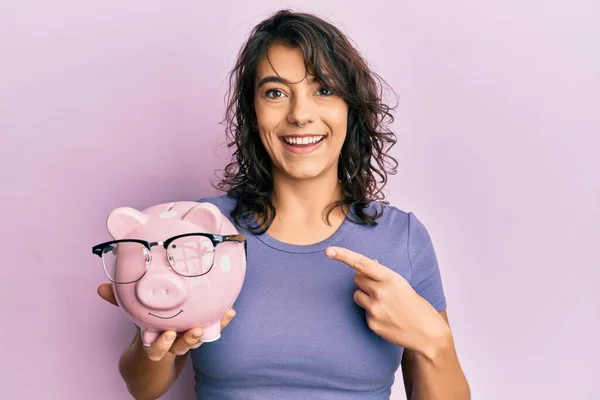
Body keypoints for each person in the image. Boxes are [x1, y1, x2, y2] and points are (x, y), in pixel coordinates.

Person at [97, 9, 470, 400]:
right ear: (253, 112)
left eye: (323, 90)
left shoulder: (401, 240)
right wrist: (152, 341)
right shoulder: (201, 228)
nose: (300, 114)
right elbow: (143, 387)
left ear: (351, 107)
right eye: (275, 92)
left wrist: (434, 343)